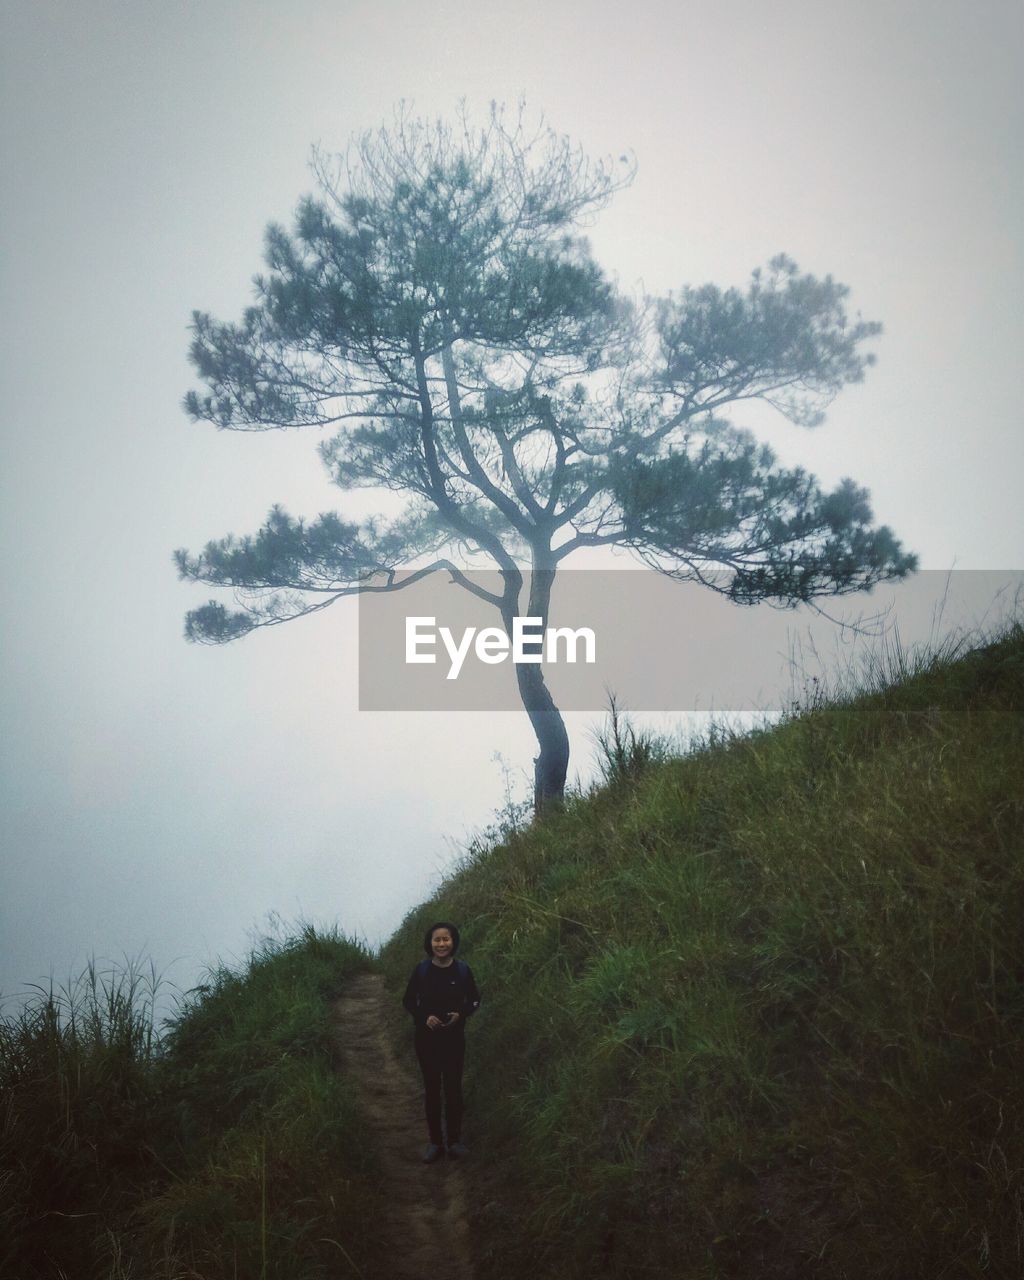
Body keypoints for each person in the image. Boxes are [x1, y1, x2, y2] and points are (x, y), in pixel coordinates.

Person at [402, 921, 481, 1163]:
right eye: (437, 939)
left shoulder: (463, 971)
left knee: (454, 1089)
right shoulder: (422, 971)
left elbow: (475, 1000)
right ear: (430, 943)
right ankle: (435, 1143)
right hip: (426, 1041)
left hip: (454, 1040)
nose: (441, 944)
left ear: (454, 941)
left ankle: (454, 1142)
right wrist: (424, 1017)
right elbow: (407, 1001)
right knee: (433, 1090)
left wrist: (461, 1014)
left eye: (446, 939)